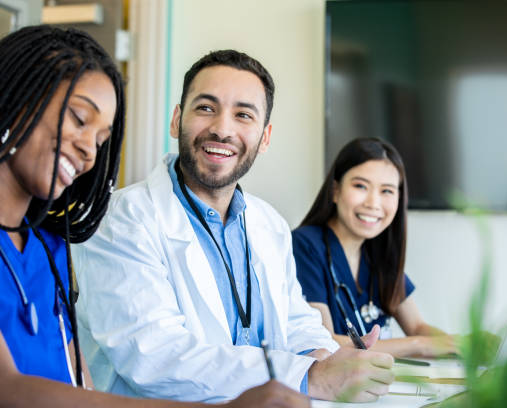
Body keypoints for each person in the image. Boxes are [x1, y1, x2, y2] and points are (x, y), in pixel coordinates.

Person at [0, 26, 309, 408]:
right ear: (15, 96)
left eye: (102, 139)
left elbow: (78, 390)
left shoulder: (45, 245)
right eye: (79, 119)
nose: (89, 150)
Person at [72, 50, 395, 403]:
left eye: (243, 115)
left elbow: (295, 321)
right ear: (176, 120)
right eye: (206, 108)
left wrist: (325, 358)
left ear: (265, 137)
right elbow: (154, 357)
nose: (222, 129)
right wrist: (310, 376)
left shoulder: (269, 223)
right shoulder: (121, 219)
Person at [292, 138, 458, 358]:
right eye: (360, 186)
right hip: (332, 389)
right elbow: (324, 340)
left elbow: (417, 328)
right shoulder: (304, 246)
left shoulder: (378, 253)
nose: (373, 203)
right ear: (335, 190)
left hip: (378, 383)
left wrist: (459, 346)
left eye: (387, 191)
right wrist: (419, 345)